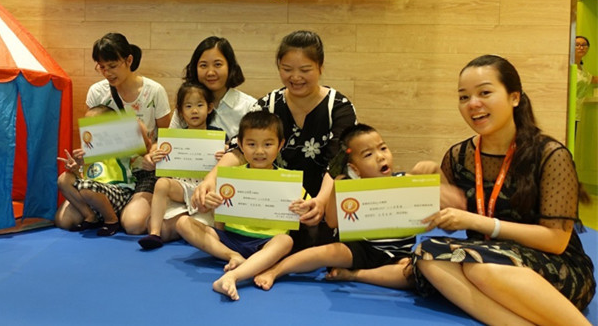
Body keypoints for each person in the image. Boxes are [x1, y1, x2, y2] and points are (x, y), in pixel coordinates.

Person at [412, 55, 595, 325]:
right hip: (487, 254)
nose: (473, 103)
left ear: (514, 97)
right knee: (426, 255)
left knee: (481, 267)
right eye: (464, 97)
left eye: (485, 93)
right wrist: (431, 186)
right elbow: (453, 218)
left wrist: (477, 222)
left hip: (552, 266)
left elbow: (556, 241)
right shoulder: (458, 155)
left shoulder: (550, 154)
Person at [193, 30, 357, 251]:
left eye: (305, 70)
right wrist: (210, 180)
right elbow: (238, 148)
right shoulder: (268, 104)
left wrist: (319, 201)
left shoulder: (338, 107)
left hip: (320, 205)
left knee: (321, 250)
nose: (295, 77)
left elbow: (337, 163)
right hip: (269, 210)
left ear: (320, 67)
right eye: (287, 69)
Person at [254, 124, 437, 290]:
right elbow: (332, 222)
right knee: (326, 252)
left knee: (413, 273)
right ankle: (275, 270)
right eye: (368, 154)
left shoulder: (405, 180)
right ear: (354, 169)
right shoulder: (351, 188)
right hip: (362, 248)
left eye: (383, 148)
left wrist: (433, 170)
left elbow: (436, 201)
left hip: (400, 254)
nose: (381, 156)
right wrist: (337, 185)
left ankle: (355, 275)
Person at [175, 111, 303, 301]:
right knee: (183, 223)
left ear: (280, 144)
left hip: (265, 243)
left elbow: (308, 210)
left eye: (268, 144)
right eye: (251, 144)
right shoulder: (229, 176)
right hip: (231, 239)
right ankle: (233, 256)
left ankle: (233, 276)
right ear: (241, 145)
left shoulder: (289, 180)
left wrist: (304, 209)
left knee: (285, 241)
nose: (259, 151)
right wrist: (207, 204)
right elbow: (209, 212)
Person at [86, 32, 172, 234]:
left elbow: (165, 137)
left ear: (129, 60)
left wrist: (153, 153)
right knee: (65, 220)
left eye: (112, 66)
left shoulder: (155, 91)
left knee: (133, 225)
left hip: (144, 170)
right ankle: (117, 208)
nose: (107, 73)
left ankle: (130, 208)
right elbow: (91, 139)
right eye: (102, 67)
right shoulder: (97, 92)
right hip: (109, 171)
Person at [138, 82, 226, 249]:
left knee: (206, 222)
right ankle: (154, 234)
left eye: (200, 105)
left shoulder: (219, 136)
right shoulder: (173, 138)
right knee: (162, 183)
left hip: (205, 192)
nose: (194, 111)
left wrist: (224, 156)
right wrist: (156, 160)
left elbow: (230, 164)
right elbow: (161, 165)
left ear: (209, 108)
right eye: (188, 106)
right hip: (182, 187)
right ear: (180, 111)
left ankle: (206, 233)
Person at [54, 105, 140, 237]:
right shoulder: (86, 148)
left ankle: (112, 220)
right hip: (90, 195)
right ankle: (90, 216)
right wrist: (76, 168)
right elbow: (82, 177)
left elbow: (140, 145)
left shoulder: (121, 146)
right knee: (63, 181)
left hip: (117, 193)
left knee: (87, 188)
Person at [170, 36, 256, 138]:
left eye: (217, 64)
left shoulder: (250, 107)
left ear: (230, 67)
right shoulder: (186, 104)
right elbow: (171, 142)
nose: (210, 72)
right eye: (203, 65)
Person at [575, 35, 598, 133]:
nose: (581, 47)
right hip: (564, 112)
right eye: (577, 45)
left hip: (576, 112)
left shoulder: (582, 68)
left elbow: (593, 79)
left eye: (584, 45)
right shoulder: (568, 66)